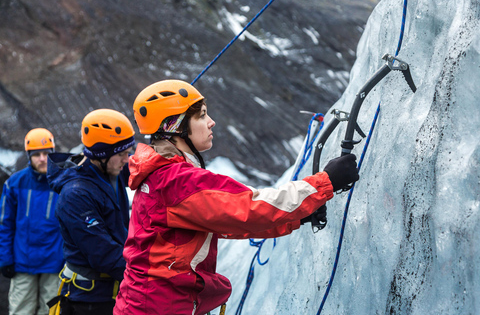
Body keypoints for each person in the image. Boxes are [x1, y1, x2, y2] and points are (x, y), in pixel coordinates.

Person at [113, 80, 359, 315]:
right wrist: (325, 182)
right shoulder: (177, 181)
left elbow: (227, 220)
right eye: (201, 116)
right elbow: (249, 208)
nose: (211, 122)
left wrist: (298, 219)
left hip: (151, 305)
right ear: (173, 126)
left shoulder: (163, 176)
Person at [46, 109, 135, 314]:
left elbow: (143, 168)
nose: (126, 159)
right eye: (122, 154)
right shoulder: (75, 195)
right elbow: (104, 254)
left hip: (112, 290)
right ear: (102, 155)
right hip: (89, 300)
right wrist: (150, 279)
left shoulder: (110, 171)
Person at [0, 128, 64, 315]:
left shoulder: (63, 183)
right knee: (20, 311)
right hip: (22, 264)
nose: (42, 159)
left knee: (51, 311)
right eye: (37, 154)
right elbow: (5, 225)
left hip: (54, 264)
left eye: (46, 153)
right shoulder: (14, 183)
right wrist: (5, 259)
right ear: (29, 156)